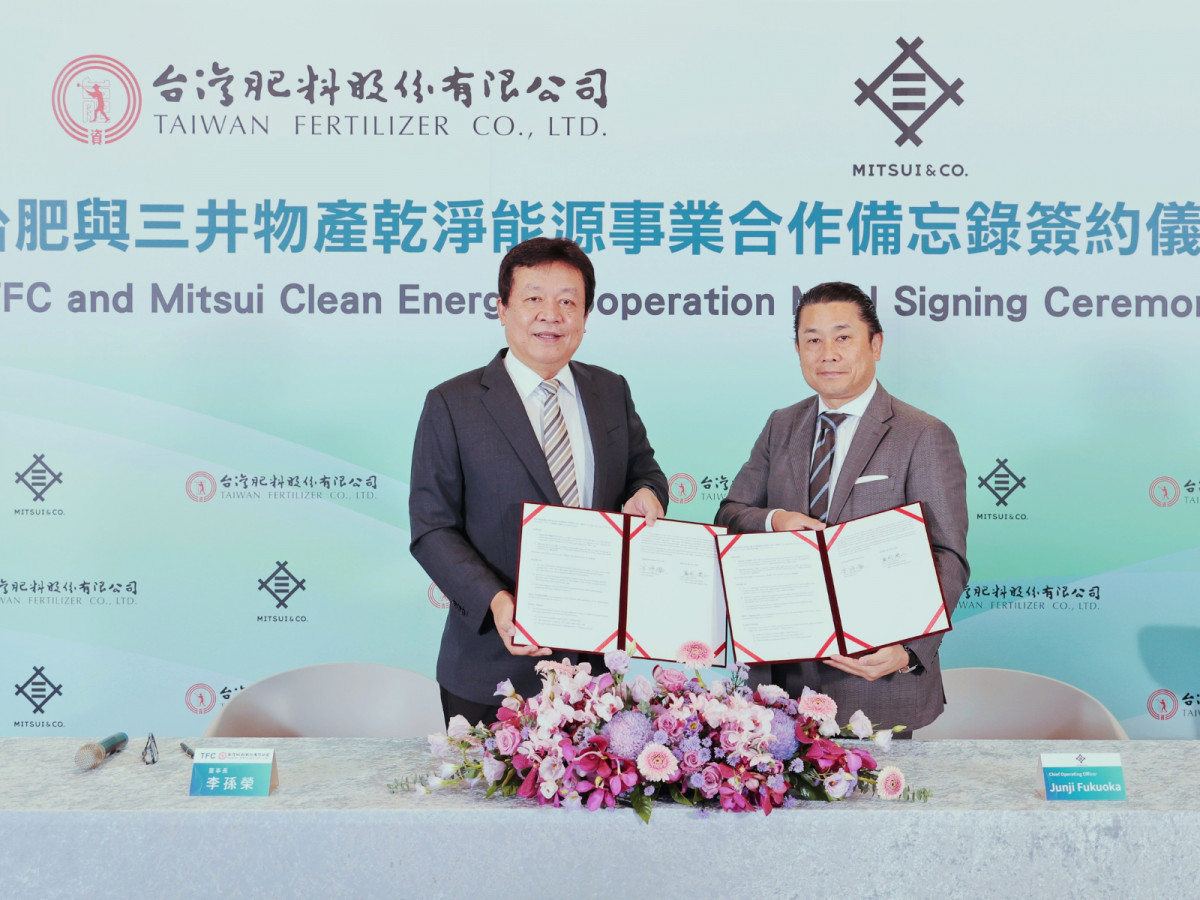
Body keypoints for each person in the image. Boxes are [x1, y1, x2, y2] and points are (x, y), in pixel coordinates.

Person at [409, 237, 669, 727]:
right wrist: (496, 602)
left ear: (585, 316)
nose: (551, 315)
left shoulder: (610, 390)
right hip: (491, 670)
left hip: (596, 672)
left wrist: (647, 494)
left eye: (568, 302)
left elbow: (645, 471)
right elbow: (432, 528)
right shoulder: (453, 403)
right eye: (533, 298)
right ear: (502, 309)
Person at [715, 281, 968, 733]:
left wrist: (908, 650)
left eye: (843, 337)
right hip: (780, 676)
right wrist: (776, 520)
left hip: (871, 675)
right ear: (798, 350)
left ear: (876, 345)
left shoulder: (922, 434)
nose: (827, 353)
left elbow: (947, 555)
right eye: (812, 340)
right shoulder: (781, 424)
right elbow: (731, 513)